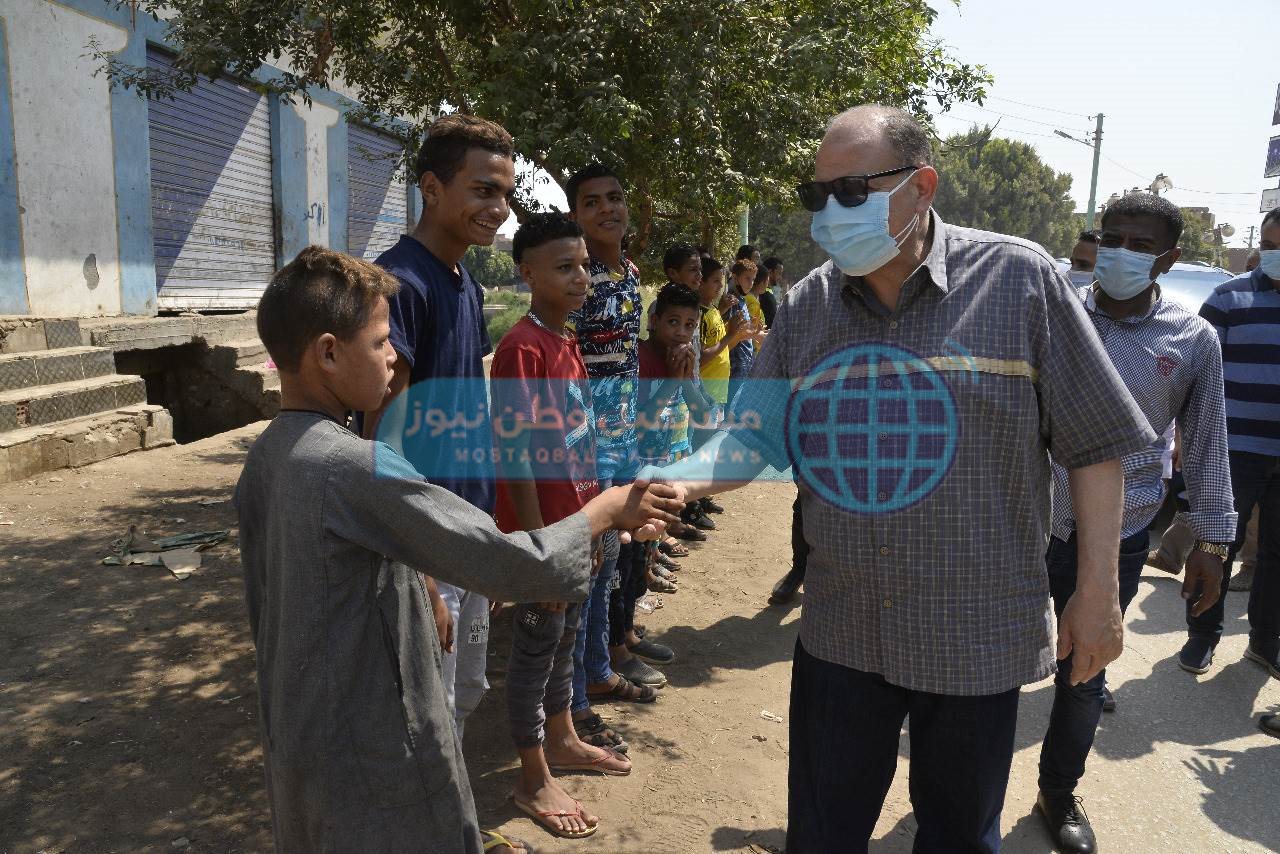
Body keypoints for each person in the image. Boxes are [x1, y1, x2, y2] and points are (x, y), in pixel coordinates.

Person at [651, 105, 1155, 853]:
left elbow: (1096, 446)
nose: (831, 212)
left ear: (922, 186)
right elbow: (751, 435)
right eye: (818, 195)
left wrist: (1097, 592)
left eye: (852, 191)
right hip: (843, 631)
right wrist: (675, 482)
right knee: (823, 833)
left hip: (975, 637)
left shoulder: (1016, 279)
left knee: (958, 837)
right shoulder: (810, 305)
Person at [236, 245, 683, 853]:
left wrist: (422, 585)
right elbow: (510, 562)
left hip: (302, 730)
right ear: (329, 353)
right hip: (372, 741)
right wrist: (603, 512)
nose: (393, 358)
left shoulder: (268, 458)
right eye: (381, 343)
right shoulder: (355, 466)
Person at [1034, 193, 1235, 853]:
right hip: (1022, 522)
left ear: (1168, 259)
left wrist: (1213, 540)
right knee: (987, 664)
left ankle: (1057, 791)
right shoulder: (1052, 312)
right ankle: (959, 798)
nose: (1119, 253)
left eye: (1140, 245)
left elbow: (1205, 443)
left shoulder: (1192, 340)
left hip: (1115, 537)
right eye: (1111, 238)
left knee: (1084, 673)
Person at [361, 113, 516, 741]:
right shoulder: (401, 284)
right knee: (429, 709)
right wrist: (419, 567)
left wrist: (490, 535)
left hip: (468, 527)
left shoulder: (465, 284)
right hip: (429, 541)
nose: (499, 208)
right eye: (483, 190)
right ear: (431, 188)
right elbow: (382, 438)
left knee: (465, 694)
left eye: (505, 193)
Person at [492, 213, 639, 840]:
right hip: (545, 541)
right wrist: (540, 550)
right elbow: (515, 455)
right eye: (564, 267)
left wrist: (596, 522)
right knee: (534, 653)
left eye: (583, 266)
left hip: (579, 528)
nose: (580, 277)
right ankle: (532, 777)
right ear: (527, 274)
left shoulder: (566, 339)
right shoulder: (521, 348)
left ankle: (564, 738)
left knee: (566, 643)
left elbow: (581, 442)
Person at [563, 163, 666, 726]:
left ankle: (607, 657)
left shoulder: (629, 272)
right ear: (576, 215)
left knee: (620, 554)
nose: (607, 208)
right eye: (592, 201)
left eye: (615, 197)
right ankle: (583, 683)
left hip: (626, 434)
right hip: (589, 443)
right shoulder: (576, 280)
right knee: (593, 563)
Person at [1181, 206, 1280, 680]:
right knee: (1217, 543)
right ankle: (1202, 635)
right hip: (1234, 451)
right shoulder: (1228, 297)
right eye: (1270, 246)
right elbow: (1196, 373)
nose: (1275, 255)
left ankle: (1265, 641)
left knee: (1277, 556)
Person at [638, 277, 715, 598]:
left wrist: (683, 380)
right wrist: (672, 380)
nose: (681, 332)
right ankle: (642, 574)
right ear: (654, 321)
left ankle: (652, 559)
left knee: (659, 518)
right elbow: (639, 423)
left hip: (670, 454)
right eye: (673, 322)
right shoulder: (641, 360)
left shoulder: (684, 359)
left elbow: (704, 416)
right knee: (640, 525)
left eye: (689, 325)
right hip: (640, 463)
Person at [726, 259, 761, 410]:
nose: (751, 283)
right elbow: (731, 333)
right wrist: (749, 332)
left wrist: (754, 330)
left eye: (753, 279)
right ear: (735, 278)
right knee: (731, 407)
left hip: (745, 361)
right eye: (747, 278)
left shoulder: (741, 300)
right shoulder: (730, 302)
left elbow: (743, 330)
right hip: (735, 363)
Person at [760, 256, 783, 327]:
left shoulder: (768, 291)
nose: (780, 277)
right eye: (779, 273)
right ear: (770, 272)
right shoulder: (761, 293)